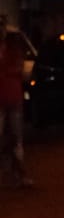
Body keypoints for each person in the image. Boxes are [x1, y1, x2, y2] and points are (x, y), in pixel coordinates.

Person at [0, 17, 30, 188]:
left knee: (15, 139)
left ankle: (17, 174)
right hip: (8, 99)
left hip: (12, 99)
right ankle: (11, 174)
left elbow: (19, 72)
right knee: (10, 139)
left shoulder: (13, 54)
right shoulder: (9, 54)